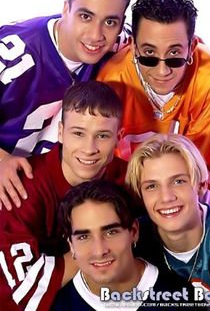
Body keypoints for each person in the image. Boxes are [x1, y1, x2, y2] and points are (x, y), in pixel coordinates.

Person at [0, 0, 133, 209]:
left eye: (110, 22)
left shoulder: (124, 45)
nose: (96, 35)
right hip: (11, 195)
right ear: (65, 9)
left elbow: (175, 41)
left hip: (63, 200)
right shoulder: (12, 52)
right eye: (85, 16)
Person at [0, 80, 128, 311]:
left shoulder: (129, 179)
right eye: (78, 133)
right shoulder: (20, 187)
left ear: (119, 136)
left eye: (102, 136)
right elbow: (17, 291)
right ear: (60, 132)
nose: (89, 148)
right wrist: (91, 252)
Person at [97, 0, 210, 197]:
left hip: (186, 196)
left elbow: (202, 183)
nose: (162, 71)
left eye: (174, 54)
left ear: (192, 47)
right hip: (126, 194)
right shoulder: (112, 80)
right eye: (149, 54)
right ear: (134, 47)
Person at [52, 179, 210, 311]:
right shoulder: (53, 303)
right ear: (71, 245)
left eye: (111, 232)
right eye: (84, 237)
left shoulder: (182, 301)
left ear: (133, 231)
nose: (99, 250)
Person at [125, 133, 210, 311]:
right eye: (152, 186)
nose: (166, 197)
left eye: (178, 181)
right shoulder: (132, 238)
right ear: (140, 194)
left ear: (201, 184)